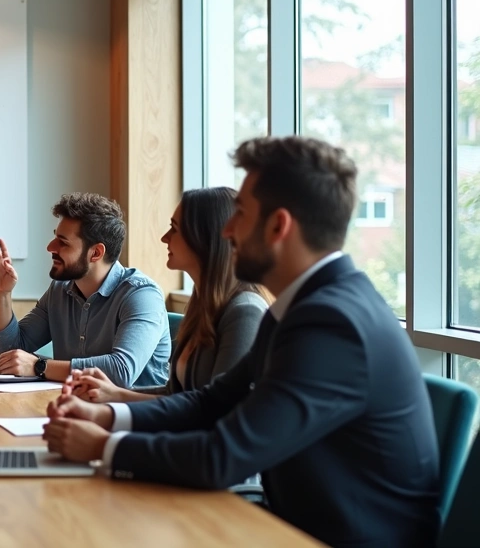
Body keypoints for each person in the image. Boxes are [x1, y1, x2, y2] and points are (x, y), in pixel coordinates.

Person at [42, 137, 440, 547]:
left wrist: (105, 446)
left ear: (278, 226)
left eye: (242, 215)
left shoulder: (332, 323)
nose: (228, 231)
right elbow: (211, 401)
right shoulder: (301, 305)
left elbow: (224, 455)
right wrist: (107, 417)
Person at [69, 187, 269, 403]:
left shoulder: (245, 313)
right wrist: (113, 395)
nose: (165, 238)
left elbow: (217, 409)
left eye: (174, 228)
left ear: (204, 237)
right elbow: (178, 394)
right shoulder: (201, 305)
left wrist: (115, 406)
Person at [0, 192, 170, 387]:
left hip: (133, 405)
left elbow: (121, 371)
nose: (50, 247)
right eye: (55, 237)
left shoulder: (142, 295)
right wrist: (2, 295)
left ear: (95, 253)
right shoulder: (59, 290)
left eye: (63, 242)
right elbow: (9, 352)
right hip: (74, 402)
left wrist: (39, 366)